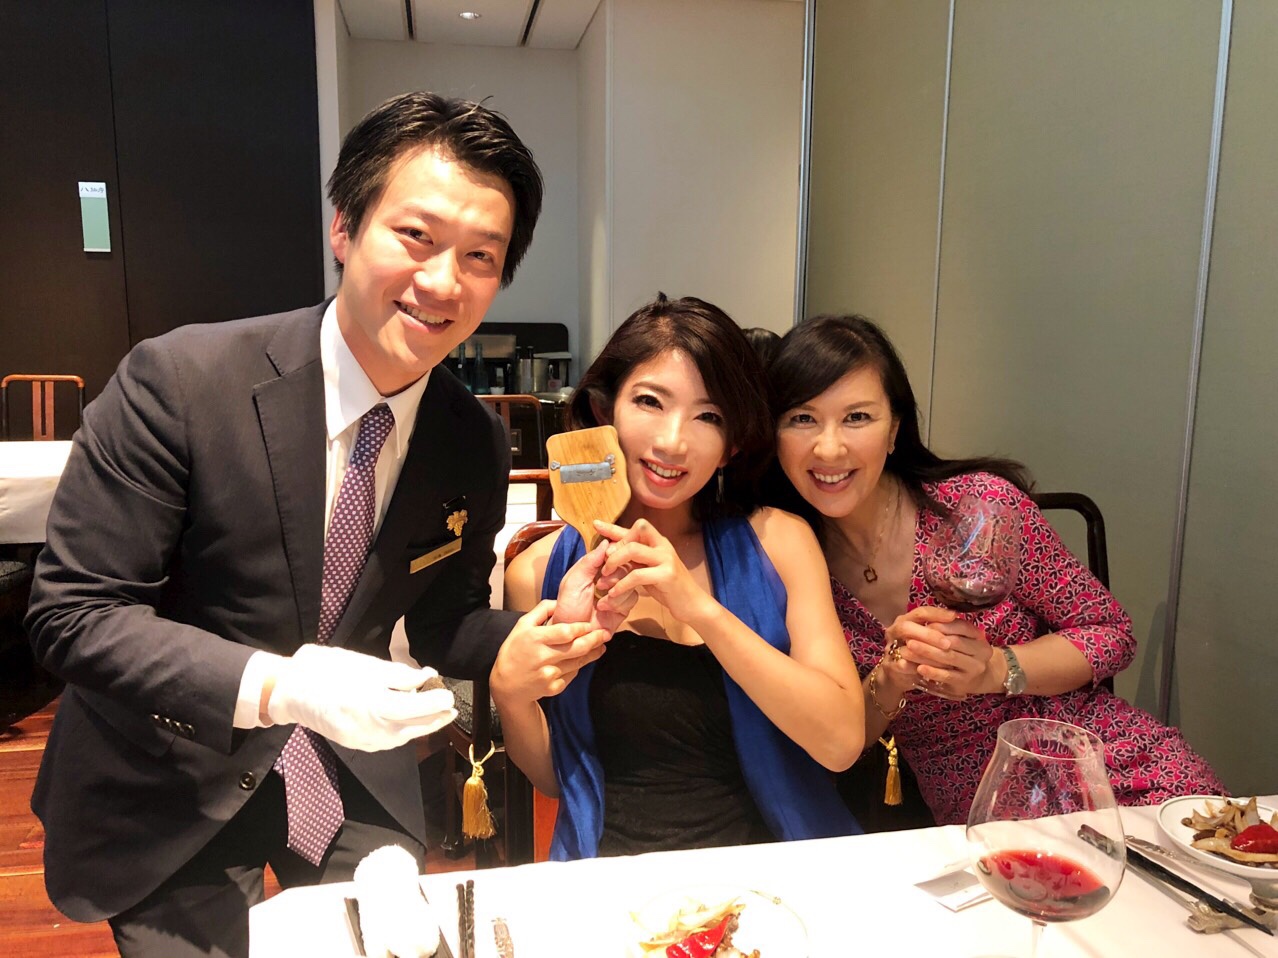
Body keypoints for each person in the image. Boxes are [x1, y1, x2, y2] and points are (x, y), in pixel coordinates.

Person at [24, 92, 607, 957]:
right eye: (416, 236)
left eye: (481, 257)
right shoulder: (181, 383)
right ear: (344, 227)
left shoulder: (469, 438)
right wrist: (285, 686)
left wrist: (537, 630)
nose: (444, 282)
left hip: (347, 764)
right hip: (173, 772)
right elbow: (75, 614)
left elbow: (443, 621)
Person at [766, 314, 1226, 826]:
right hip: (982, 810)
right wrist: (890, 677)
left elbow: (1110, 633)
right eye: (802, 418)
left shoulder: (976, 509)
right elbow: (842, 740)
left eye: (857, 417)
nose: (830, 448)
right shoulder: (781, 559)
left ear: (894, 429)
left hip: (1102, 766)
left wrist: (996, 669)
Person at [493, 295, 864, 861]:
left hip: (772, 873)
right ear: (604, 412)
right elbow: (553, 776)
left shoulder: (781, 543)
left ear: (731, 445)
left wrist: (698, 608)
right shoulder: (539, 572)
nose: (673, 441)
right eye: (649, 402)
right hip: (612, 876)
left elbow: (840, 742)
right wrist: (511, 694)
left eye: (708, 416)